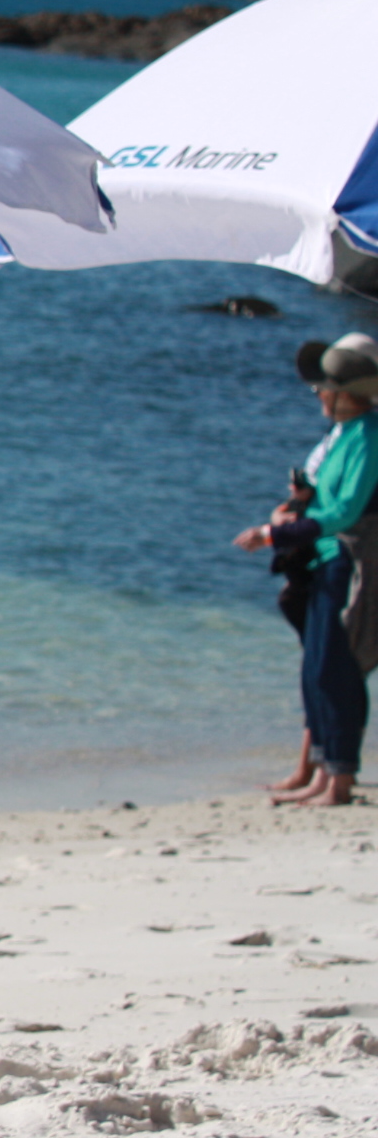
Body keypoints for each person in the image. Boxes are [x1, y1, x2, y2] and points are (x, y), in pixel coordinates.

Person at [238, 336, 378, 808]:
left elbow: (345, 510)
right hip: (325, 558)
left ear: (343, 392)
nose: (317, 394)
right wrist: (299, 506)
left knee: (336, 670)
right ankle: (322, 773)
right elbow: (327, 501)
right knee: (317, 669)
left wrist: (273, 534)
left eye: (323, 388)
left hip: (350, 560)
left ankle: (339, 777)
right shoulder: (344, 434)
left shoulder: (368, 435)